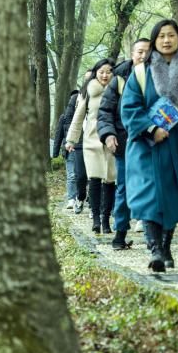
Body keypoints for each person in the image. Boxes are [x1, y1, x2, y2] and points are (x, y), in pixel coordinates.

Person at [120, 19, 178, 273]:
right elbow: (128, 108)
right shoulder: (140, 73)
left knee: (172, 198)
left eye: (171, 35)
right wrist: (151, 128)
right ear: (154, 41)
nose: (166, 40)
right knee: (149, 197)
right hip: (145, 147)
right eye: (161, 36)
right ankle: (155, 249)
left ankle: (166, 244)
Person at [97, 38, 150, 250]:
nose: (143, 56)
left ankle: (152, 235)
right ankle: (120, 234)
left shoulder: (159, 75)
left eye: (147, 51)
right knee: (124, 188)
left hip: (152, 141)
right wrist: (108, 134)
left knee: (151, 187)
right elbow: (105, 112)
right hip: (125, 142)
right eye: (139, 52)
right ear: (132, 53)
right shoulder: (118, 78)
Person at [66, 58, 116, 234]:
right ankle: (95, 219)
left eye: (108, 71)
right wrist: (71, 139)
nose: (105, 75)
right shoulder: (87, 90)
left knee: (110, 181)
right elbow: (78, 117)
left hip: (112, 141)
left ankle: (106, 219)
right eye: (101, 71)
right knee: (94, 179)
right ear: (96, 72)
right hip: (91, 141)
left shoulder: (118, 90)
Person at [52, 87, 88, 213]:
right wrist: (55, 152)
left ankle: (82, 197)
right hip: (69, 149)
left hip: (83, 148)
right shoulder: (64, 118)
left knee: (82, 175)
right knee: (72, 175)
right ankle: (71, 198)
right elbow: (58, 135)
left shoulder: (86, 117)